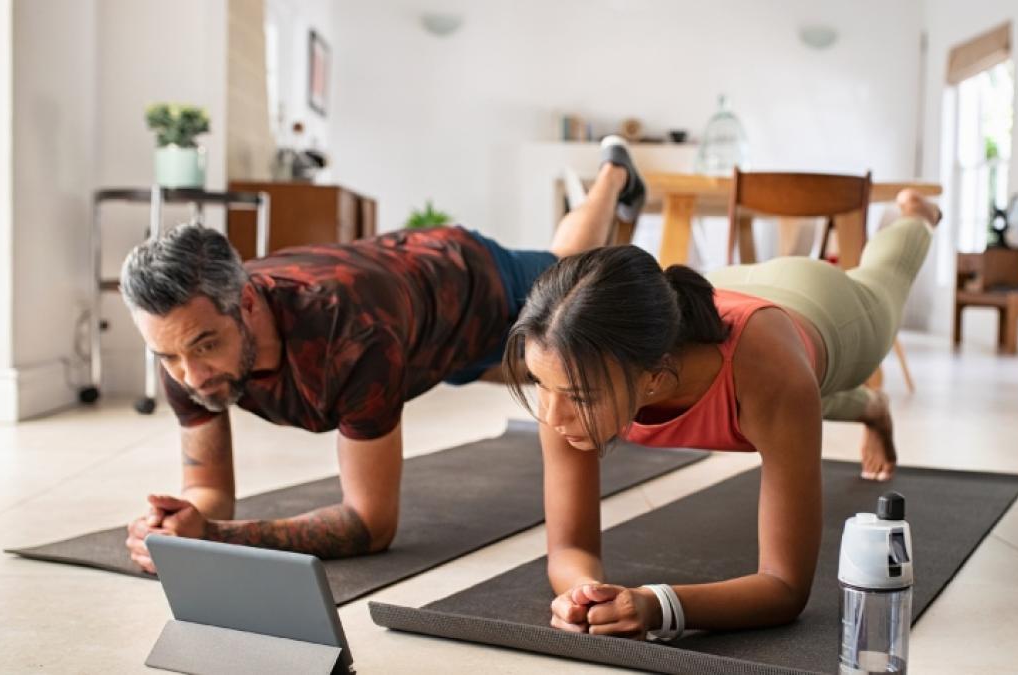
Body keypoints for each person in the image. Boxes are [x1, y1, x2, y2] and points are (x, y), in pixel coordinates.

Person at [120, 138, 649, 573]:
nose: (189, 375)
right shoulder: (184, 341)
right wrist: (179, 524)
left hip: (471, 285)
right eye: (167, 356)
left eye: (206, 346)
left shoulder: (349, 336)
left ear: (249, 302)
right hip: (414, 335)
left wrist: (213, 538)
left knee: (571, 269)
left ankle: (614, 174)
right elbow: (208, 490)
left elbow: (370, 524)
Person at [502, 190, 941, 636]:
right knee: (782, 412)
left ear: (653, 377)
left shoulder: (773, 376)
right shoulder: (571, 363)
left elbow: (785, 586)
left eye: (578, 396)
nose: (552, 415)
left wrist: (659, 606)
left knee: (884, 282)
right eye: (540, 384)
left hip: (822, 305)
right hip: (723, 292)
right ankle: (870, 409)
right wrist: (585, 594)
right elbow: (569, 547)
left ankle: (918, 216)